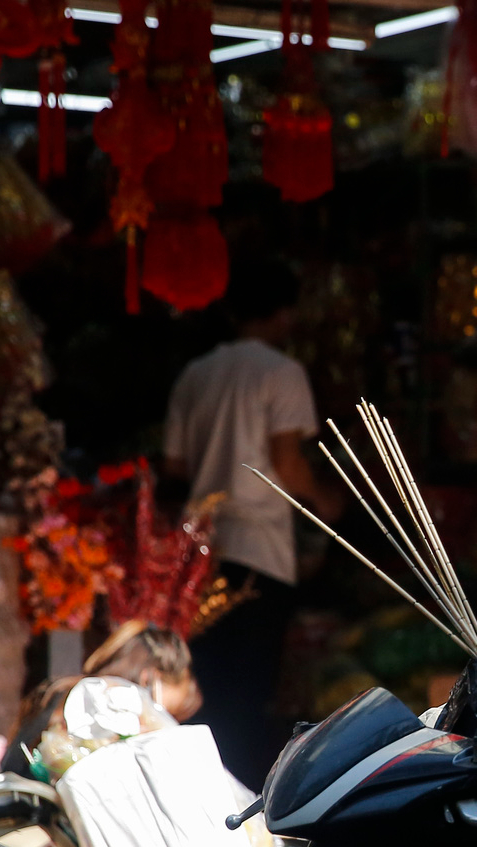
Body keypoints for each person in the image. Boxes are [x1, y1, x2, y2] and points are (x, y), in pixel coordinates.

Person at [162, 256, 336, 789]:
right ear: (283, 314)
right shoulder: (281, 373)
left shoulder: (197, 373)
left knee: (204, 686)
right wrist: (329, 506)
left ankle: (199, 792)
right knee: (249, 690)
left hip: (202, 554)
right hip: (260, 549)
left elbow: (175, 467)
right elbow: (287, 465)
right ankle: (239, 799)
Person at [3, 620, 202, 776]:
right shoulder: (105, 714)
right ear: (147, 680)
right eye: (161, 710)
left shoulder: (59, 691)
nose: (158, 719)